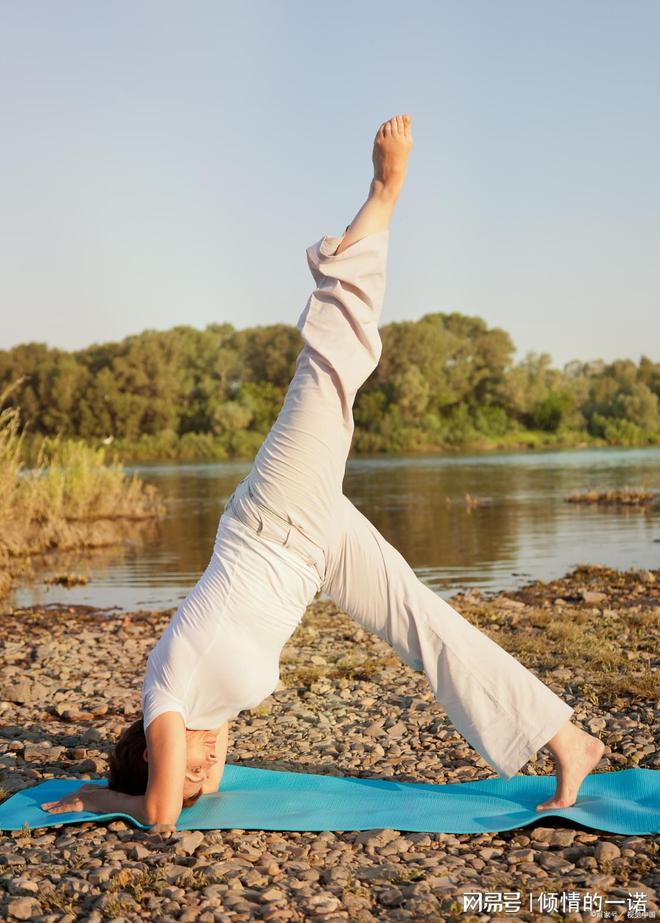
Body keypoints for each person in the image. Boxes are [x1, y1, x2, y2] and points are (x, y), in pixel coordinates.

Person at [42, 114, 605, 829]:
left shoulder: (168, 694)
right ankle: (566, 738)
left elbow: (160, 816)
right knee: (422, 622)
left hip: (273, 512)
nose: (207, 771)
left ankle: (381, 194)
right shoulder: (206, 719)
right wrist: (194, 781)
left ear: (157, 753)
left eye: (187, 768)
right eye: (200, 777)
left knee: (329, 371)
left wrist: (96, 796)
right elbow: (193, 796)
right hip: (313, 547)